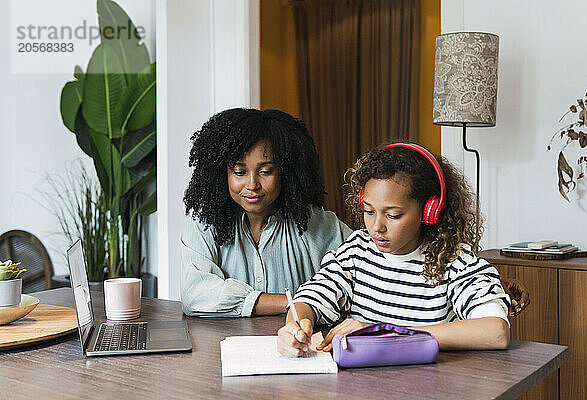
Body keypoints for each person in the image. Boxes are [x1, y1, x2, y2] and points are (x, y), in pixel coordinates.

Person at [277, 143, 511, 356]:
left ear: (429, 211)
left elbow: (495, 331)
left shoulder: (454, 261)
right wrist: (296, 326)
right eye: (369, 211)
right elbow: (311, 298)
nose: (377, 227)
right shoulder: (357, 251)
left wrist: (385, 333)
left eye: (393, 215)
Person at [180, 108, 351, 317]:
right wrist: (296, 302)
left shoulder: (318, 224)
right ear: (222, 173)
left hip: (301, 345)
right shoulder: (205, 223)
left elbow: (363, 276)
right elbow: (196, 295)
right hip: (223, 346)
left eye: (265, 171)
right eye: (239, 172)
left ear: (285, 171)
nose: (252, 185)